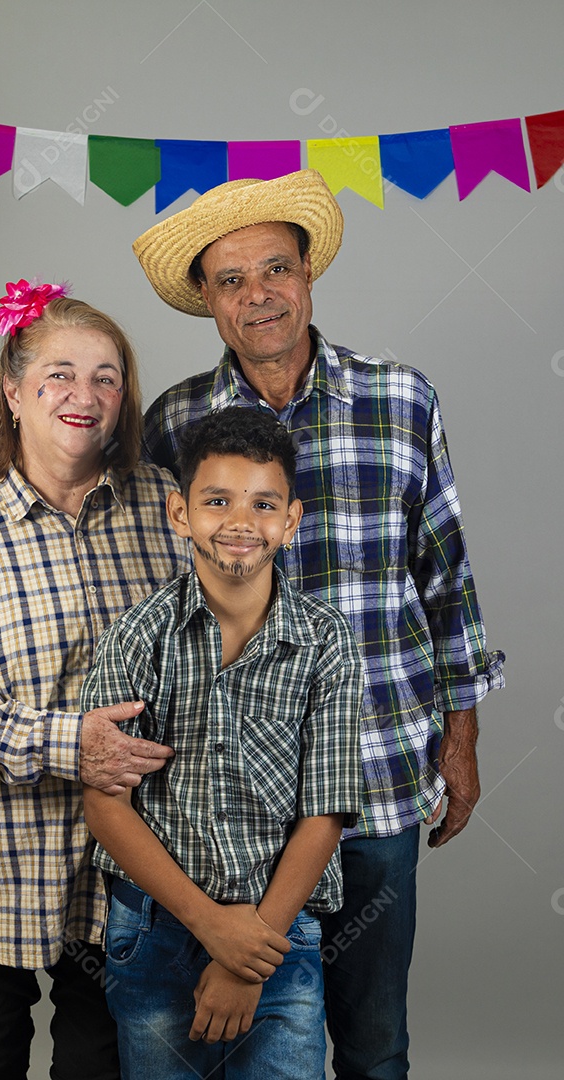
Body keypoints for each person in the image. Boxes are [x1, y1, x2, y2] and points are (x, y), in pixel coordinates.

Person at [132, 170, 506, 1080]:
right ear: (209, 304)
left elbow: (446, 579)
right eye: (231, 280)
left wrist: (460, 740)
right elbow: (138, 580)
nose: (258, 294)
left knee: (374, 1040)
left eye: (275, 269)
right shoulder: (176, 420)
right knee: (252, 1038)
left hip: (377, 769)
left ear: (308, 277)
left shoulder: (401, 399)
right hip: (233, 796)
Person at [0, 280, 191, 1080]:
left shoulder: (168, 510)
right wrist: (70, 743)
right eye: (58, 373)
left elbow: (221, 644)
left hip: (127, 868)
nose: (83, 394)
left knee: (101, 1064)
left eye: (106, 377)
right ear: (14, 393)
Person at [80, 407, 363, 1079]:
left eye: (264, 504)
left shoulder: (327, 642)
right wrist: (209, 925)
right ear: (181, 514)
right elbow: (106, 805)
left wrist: (250, 951)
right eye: (217, 501)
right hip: (155, 927)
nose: (240, 522)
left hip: (279, 932)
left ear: (290, 521)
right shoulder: (137, 637)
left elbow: (325, 812)